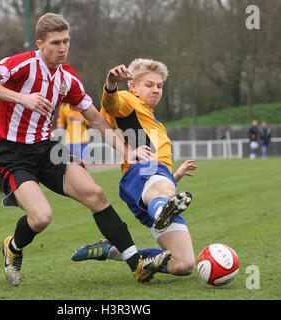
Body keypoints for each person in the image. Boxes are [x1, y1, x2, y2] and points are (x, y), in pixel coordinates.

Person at [0, 13, 171, 286]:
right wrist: (23, 98)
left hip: (47, 148)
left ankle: (136, 264)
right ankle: (13, 247)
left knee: (96, 195)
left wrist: (127, 152)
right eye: (55, 43)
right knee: (41, 218)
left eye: (66, 41)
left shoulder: (68, 78)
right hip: (13, 152)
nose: (62, 48)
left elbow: (96, 118)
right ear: (40, 43)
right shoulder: (21, 64)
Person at [72, 59, 197, 278]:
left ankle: (118, 251)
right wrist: (111, 83)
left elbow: (158, 181)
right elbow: (111, 105)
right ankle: (162, 209)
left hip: (152, 186)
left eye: (159, 86)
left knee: (184, 264)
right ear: (133, 87)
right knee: (159, 185)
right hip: (143, 172)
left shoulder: (152, 119)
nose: (156, 90)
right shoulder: (129, 101)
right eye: (149, 85)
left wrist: (174, 177)